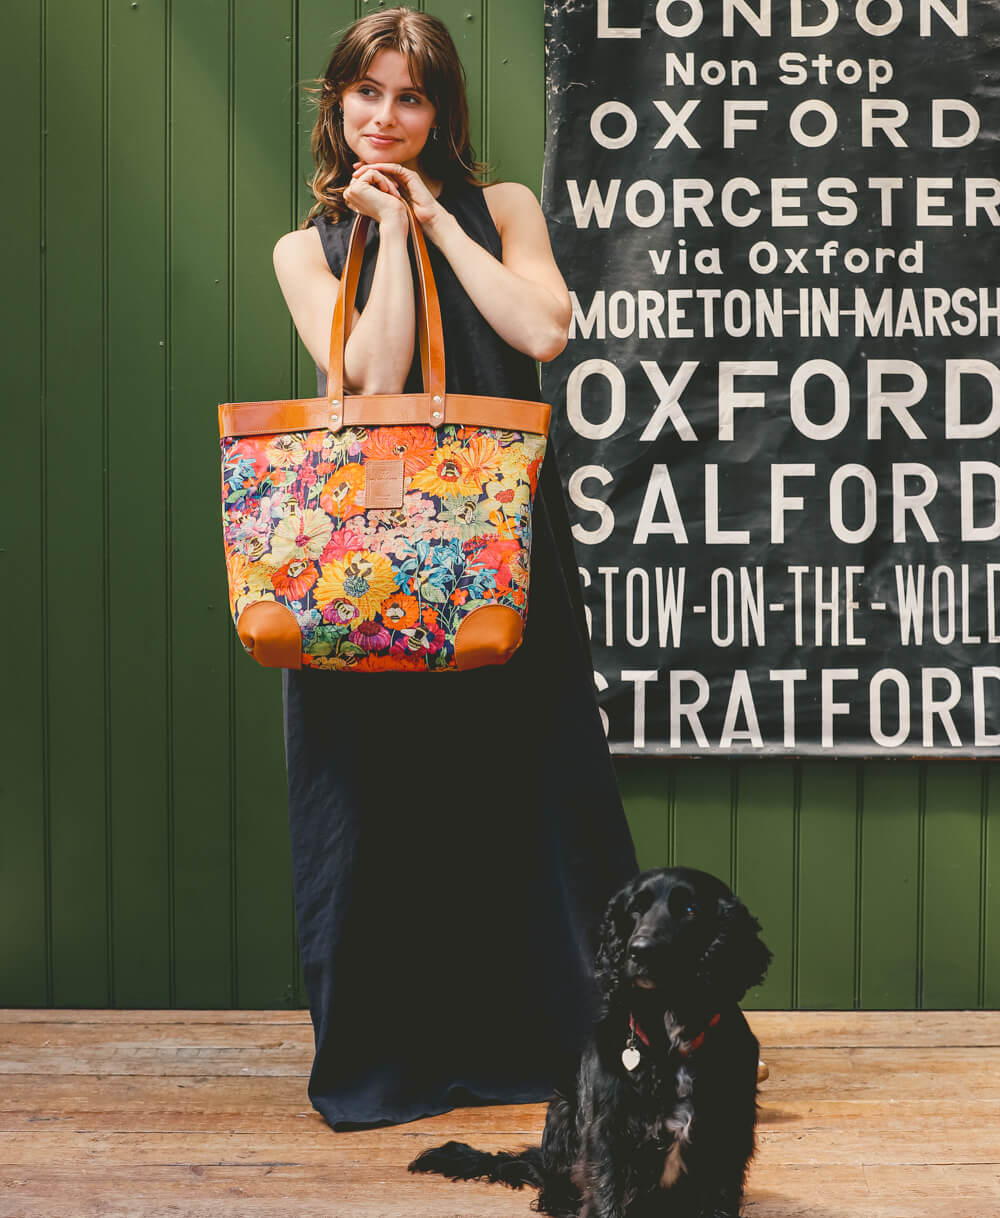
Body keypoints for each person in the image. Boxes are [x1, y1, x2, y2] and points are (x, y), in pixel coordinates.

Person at [270, 7, 638, 1130]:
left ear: (442, 112)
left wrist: (430, 217)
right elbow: (372, 382)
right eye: (367, 93)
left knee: (540, 783)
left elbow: (542, 330)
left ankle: (571, 1042)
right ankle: (394, 1061)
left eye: (411, 97)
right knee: (376, 803)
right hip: (367, 572)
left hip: (502, 549)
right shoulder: (304, 247)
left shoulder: (504, 207)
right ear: (337, 104)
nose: (387, 117)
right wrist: (379, 240)